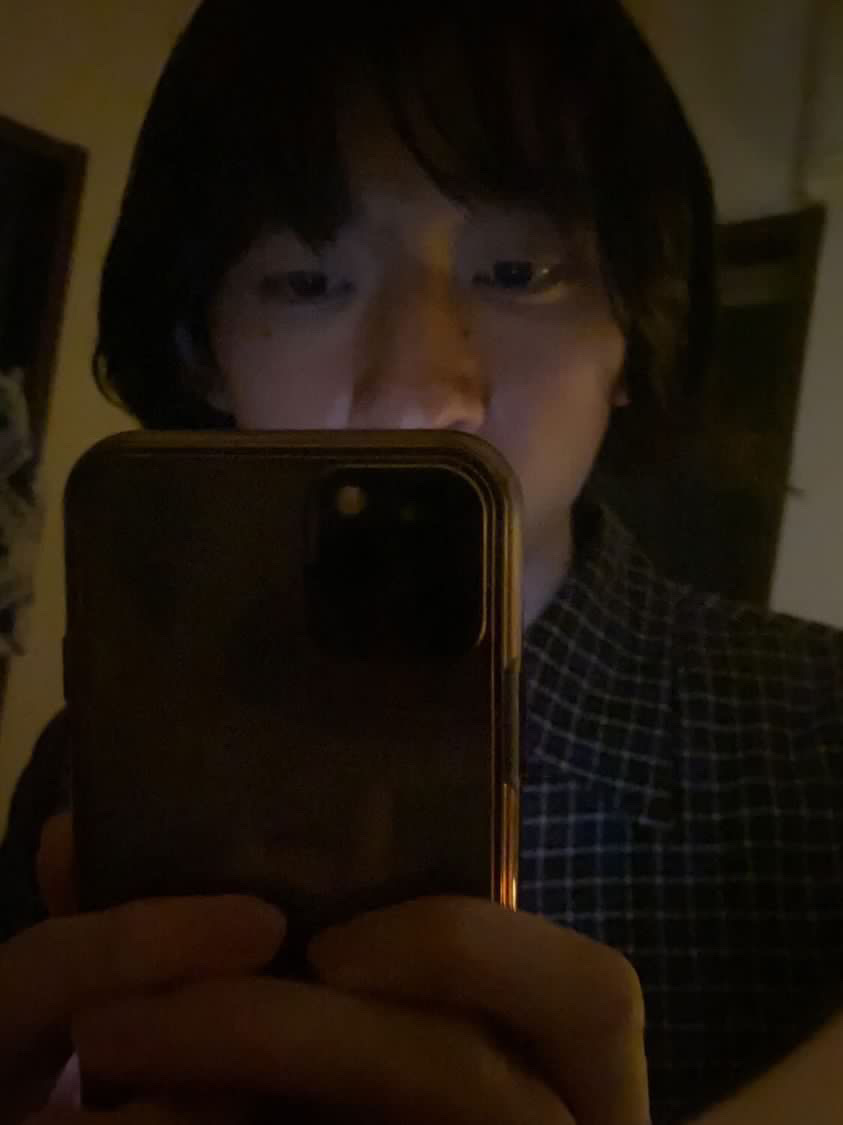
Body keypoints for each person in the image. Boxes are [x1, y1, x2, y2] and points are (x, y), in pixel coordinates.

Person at [1, 1, 842, 1122]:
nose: (418, 390)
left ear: (634, 333)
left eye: (519, 270)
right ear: (204, 353)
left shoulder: (819, 744)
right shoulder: (98, 759)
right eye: (306, 281)